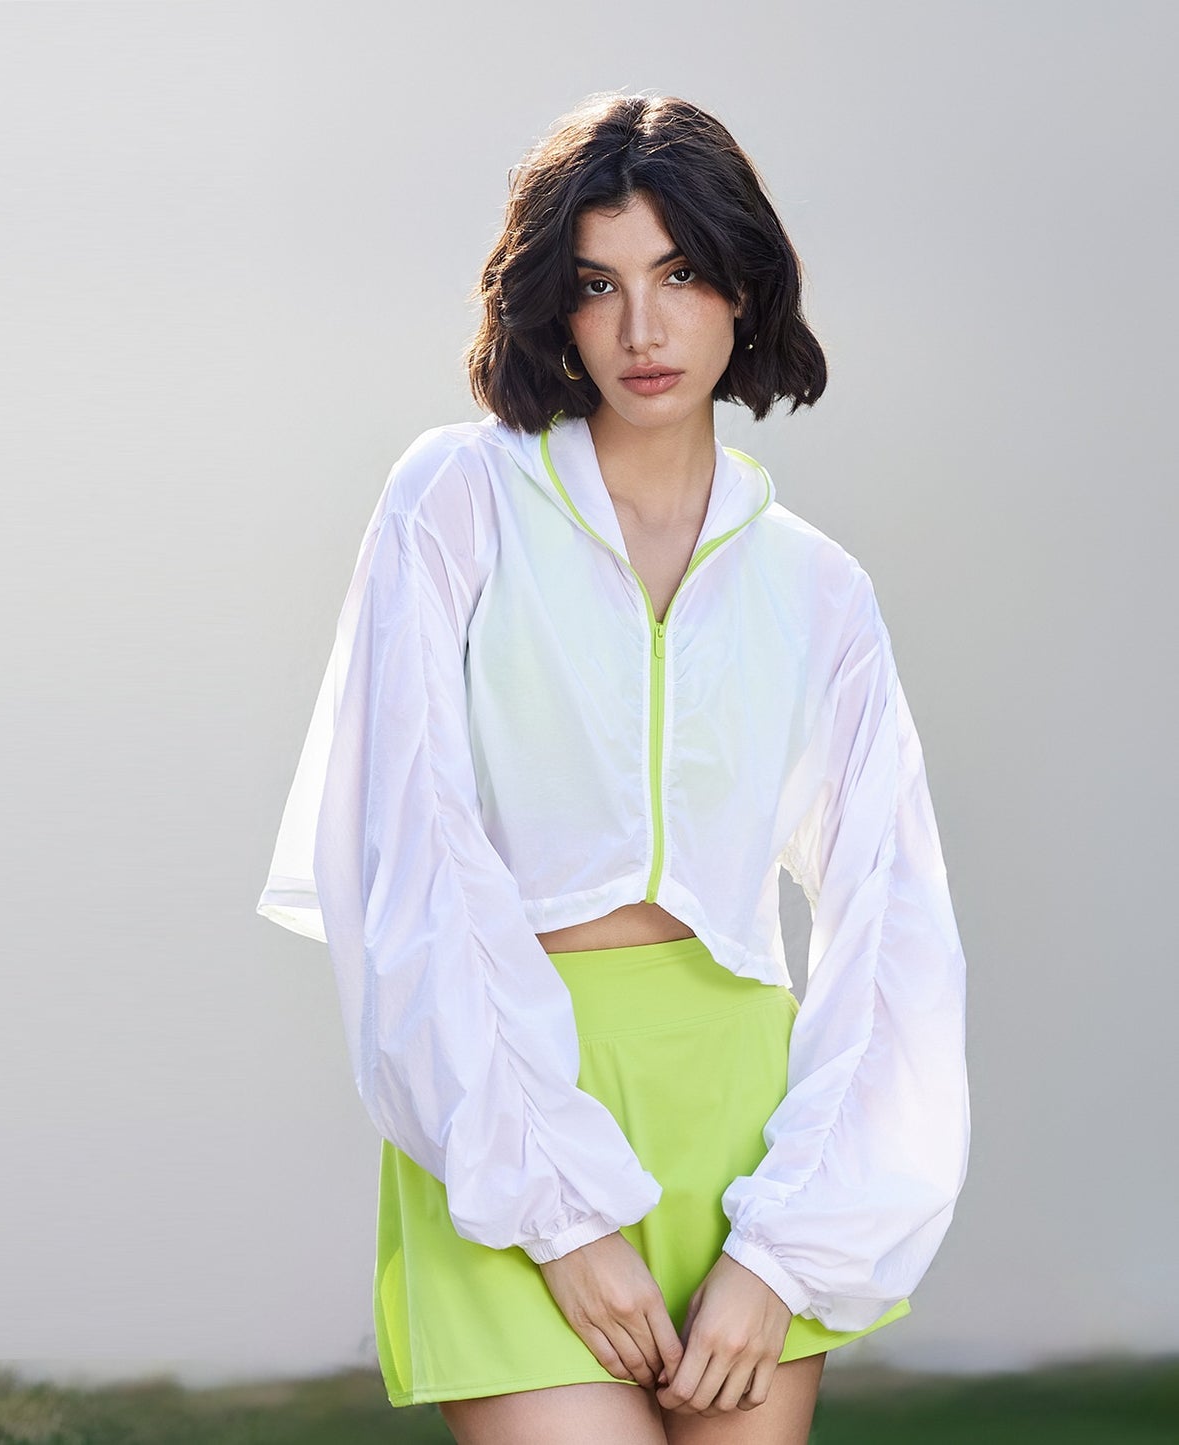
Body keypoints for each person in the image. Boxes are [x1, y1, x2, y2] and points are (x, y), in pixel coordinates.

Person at [256, 89, 970, 1445]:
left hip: (748, 1138)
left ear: (743, 288)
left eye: (679, 274)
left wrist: (783, 1254)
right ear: (552, 307)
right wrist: (559, 1212)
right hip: (502, 1107)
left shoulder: (818, 588)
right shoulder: (454, 502)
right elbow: (409, 854)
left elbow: (894, 929)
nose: (643, 329)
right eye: (598, 284)